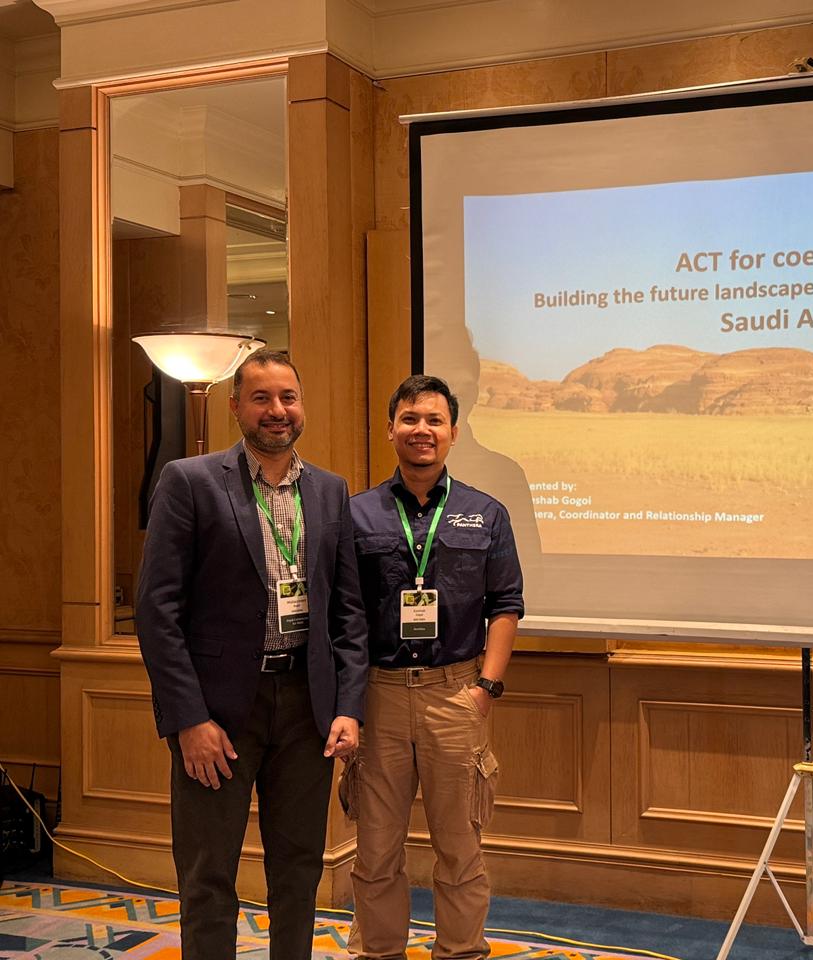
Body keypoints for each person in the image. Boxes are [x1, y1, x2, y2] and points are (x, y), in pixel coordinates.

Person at [135, 349, 368, 959]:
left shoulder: (330, 491)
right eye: (261, 398)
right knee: (209, 876)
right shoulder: (189, 481)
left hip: (306, 709)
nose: (277, 411)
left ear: (302, 406)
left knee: (299, 869)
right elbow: (155, 612)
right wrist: (188, 719)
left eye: (287, 398)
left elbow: (347, 610)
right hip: (218, 715)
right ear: (235, 405)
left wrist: (348, 705)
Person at [347, 374, 523, 960]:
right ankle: (379, 952)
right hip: (380, 698)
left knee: (459, 850)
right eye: (410, 419)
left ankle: (461, 952)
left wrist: (486, 689)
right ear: (391, 427)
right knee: (374, 852)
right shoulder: (357, 514)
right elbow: (342, 616)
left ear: (451, 432)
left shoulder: (485, 513)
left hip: (456, 694)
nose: (421, 430)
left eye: (434, 420)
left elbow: (506, 605)